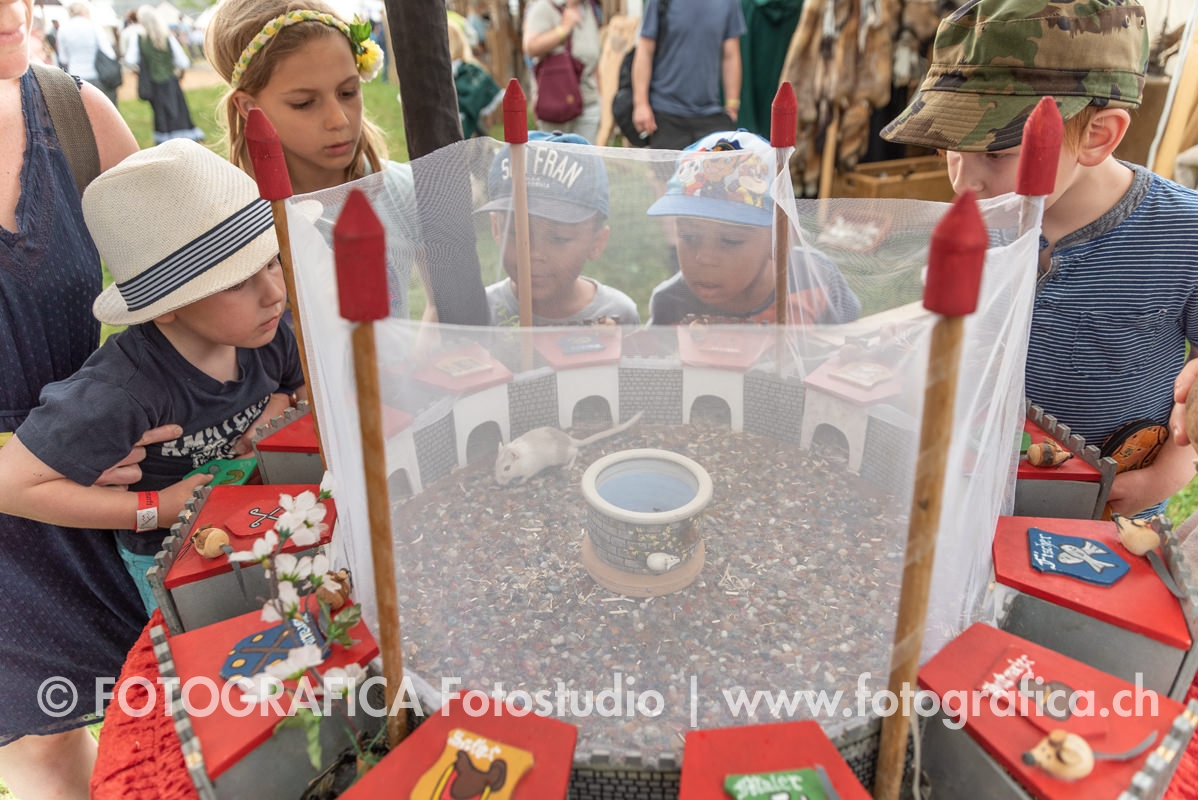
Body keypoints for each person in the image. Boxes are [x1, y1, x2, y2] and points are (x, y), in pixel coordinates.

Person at [881, 0, 1198, 518]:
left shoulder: (1184, 234)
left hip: (1104, 510)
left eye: (996, 152)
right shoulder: (981, 219)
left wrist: (1163, 476)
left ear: (1098, 136)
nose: (964, 181)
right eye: (950, 147)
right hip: (973, 487)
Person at [0, 139, 307, 617]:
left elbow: (300, 387)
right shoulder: (121, 391)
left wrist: (281, 409)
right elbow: (11, 484)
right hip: (175, 563)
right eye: (236, 282)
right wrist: (154, 508)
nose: (273, 294)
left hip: (264, 518)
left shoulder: (266, 334)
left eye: (271, 262)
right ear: (165, 306)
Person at [0, 0, 166, 794]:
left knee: (167, 711)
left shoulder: (74, 115)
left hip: (102, 495)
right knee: (42, 749)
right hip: (24, 510)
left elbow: (178, 296)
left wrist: (117, 411)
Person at [205, 0, 423, 320]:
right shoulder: (228, 221)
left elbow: (446, 304)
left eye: (348, 92)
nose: (338, 120)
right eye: (304, 103)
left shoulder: (404, 191)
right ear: (249, 107)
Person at [645, 130, 860, 326]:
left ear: (780, 239)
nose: (705, 258)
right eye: (688, 236)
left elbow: (851, 341)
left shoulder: (819, 280)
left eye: (730, 240)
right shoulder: (669, 304)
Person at [478, 131, 640, 326]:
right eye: (517, 233)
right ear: (496, 228)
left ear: (596, 242)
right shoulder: (480, 312)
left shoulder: (617, 315)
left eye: (559, 238)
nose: (534, 254)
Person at [631, 0, 745, 150]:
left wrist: (732, 106)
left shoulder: (729, 3)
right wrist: (641, 104)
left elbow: (730, 55)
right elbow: (645, 50)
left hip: (711, 115)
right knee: (668, 166)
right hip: (666, 114)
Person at [523, 0, 602, 146]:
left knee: (586, 157)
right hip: (556, 102)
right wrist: (564, 29)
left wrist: (600, 98)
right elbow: (530, 46)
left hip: (588, 102)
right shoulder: (544, 7)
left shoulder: (589, 8)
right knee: (555, 156)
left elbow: (594, 59)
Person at [125, 5, 204, 143]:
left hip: (153, 82)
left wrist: (143, 64)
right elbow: (183, 62)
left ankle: (166, 140)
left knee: (161, 113)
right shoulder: (168, 37)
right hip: (170, 80)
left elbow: (130, 60)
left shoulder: (138, 39)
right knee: (177, 109)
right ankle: (184, 138)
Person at [55, 0, 118, 105]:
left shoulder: (63, 29)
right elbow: (109, 52)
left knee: (79, 110)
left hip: (74, 76)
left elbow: (63, 59)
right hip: (95, 75)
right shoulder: (93, 26)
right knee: (97, 108)